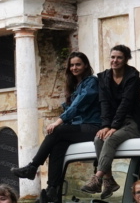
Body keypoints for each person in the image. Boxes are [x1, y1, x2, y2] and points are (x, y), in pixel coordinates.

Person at [13, 52, 99, 195]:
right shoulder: (75, 86)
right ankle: (53, 188)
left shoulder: (91, 82)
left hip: (92, 127)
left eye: (78, 64)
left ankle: (32, 167)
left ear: (85, 66)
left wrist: (59, 121)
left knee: (57, 131)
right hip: (79, 128)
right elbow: (72, 107)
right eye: (72, 65)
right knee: (58, 146)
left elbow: (78, 104)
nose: (74, 68)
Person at [81, 45, 140, 196]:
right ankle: (109, 181)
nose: (115, 60)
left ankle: (98, 178)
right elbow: (104, 103)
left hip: (134, 122)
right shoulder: (103, 77)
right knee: (98, 138)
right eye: (113, 57)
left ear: (126, 59)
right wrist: (105, 125)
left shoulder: (133, 77)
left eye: (119, 57)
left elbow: (126, 103)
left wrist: (113, 127)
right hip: (115, 123)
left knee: (110, 139)